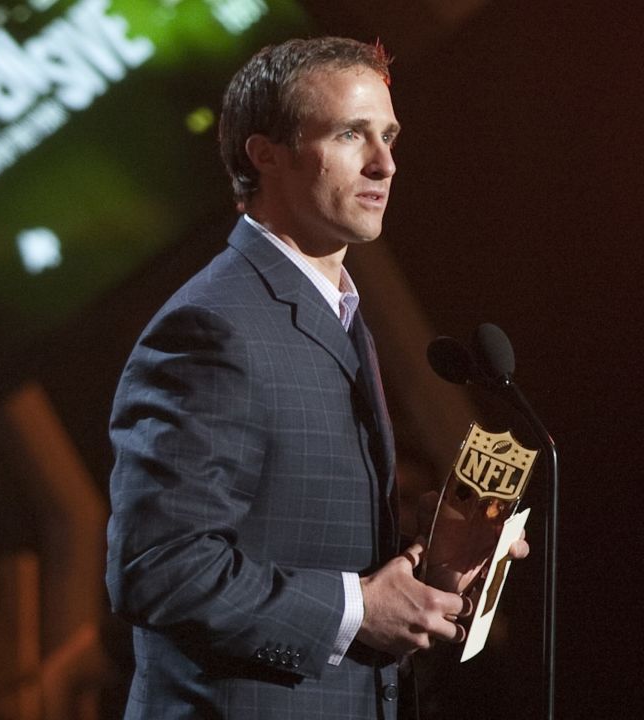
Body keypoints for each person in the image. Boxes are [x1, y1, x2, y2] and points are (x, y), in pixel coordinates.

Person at [104, 37, 525, 718]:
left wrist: (426, 571)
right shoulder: (212, 326)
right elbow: (160, 569)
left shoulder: (333, 312)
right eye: (351, 134)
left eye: (388, 135)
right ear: (263, 153)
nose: (384, 162)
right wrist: (356, 610)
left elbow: (300, 540)